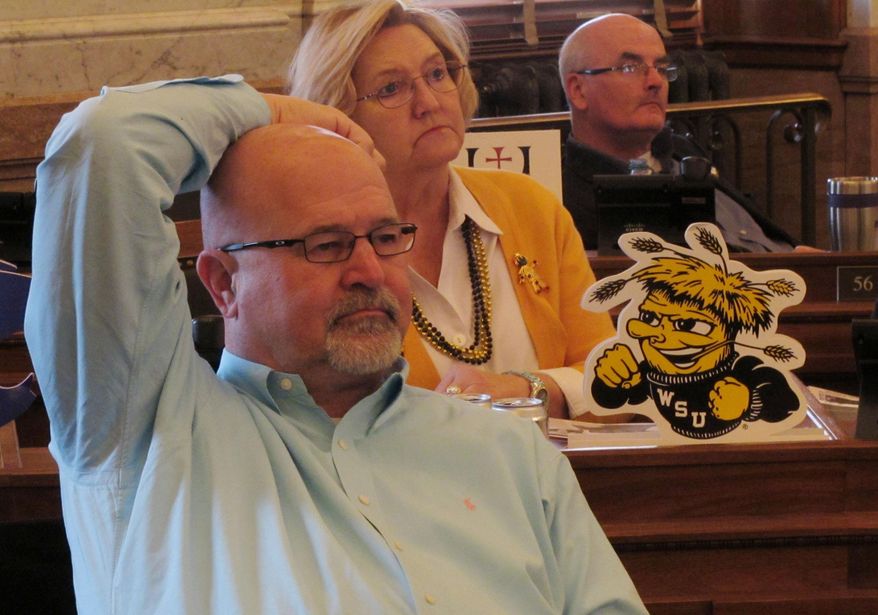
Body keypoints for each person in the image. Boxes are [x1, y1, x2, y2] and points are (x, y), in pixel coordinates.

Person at [24, 76, 647, 613]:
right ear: (224, 283)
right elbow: (104, 142)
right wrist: (275, 109)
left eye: (386, 238)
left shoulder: (509, 453)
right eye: (325, 245)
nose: (369, 271)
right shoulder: (141, 430)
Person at [288, 0, 616, 420]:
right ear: (340, 115)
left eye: (437, 73)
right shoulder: (322, 248)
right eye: (391, 89)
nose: (428, 101)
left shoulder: (530, 206)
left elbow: (612, 377)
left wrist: (528, 389)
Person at [559, 13, 800, 253]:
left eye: (662, 68)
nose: (656, 81)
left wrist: (800, 258)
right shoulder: (561, 199)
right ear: (578, 90)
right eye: (630, 68)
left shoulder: (684, 151)